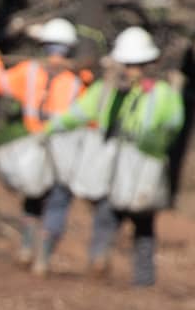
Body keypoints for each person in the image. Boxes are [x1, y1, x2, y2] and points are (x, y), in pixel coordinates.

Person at [51, 26, 185, 287]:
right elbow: (77, 114)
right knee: (106, 216)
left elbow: (173, 125)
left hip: (144, 168)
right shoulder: (107, 91)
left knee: (143, 225)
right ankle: (97, 266)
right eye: (128, 64)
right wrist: (48, 130)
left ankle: (143, 282)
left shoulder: (162, 94)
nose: (131, 70)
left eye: (137, 64)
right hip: (112, 168)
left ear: (149, 64)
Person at [0, 18, 89, 276]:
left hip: (37, 144)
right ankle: (42, 258)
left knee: (33, 197)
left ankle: (27, 249)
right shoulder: (80, 80)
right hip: (65, 148)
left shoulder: (28, 71)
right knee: (58, 201)